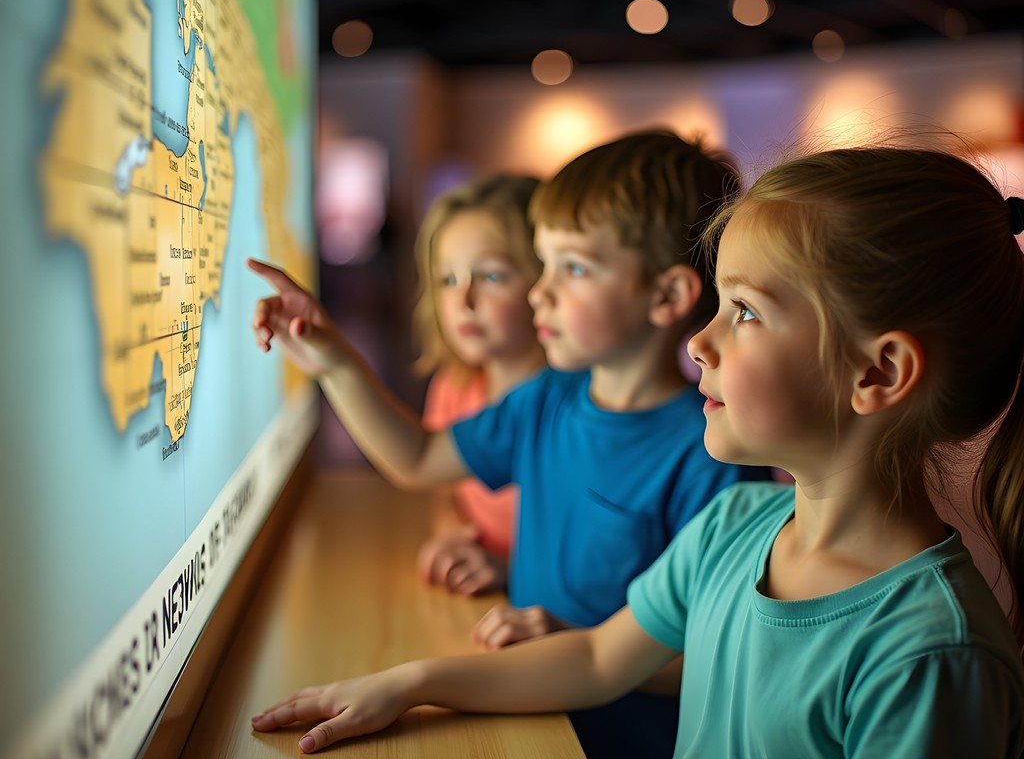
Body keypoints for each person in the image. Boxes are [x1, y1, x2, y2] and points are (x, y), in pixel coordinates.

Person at [251, 143, 1024, 757]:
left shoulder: (932, 656)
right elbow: (593, 660)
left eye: (746, 313)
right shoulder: (733, 531)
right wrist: (411, 682)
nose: (702, 341)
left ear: (879, 371)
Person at [248, 129, 767, 757]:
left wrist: (576, 634)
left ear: (666, 296)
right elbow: (418, 459)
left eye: (573, 268)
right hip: (523, 713)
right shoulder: (545, 400)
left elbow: (712, 657)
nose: (538, 292)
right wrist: (331, 360)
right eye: (542, 265)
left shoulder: (712, 454)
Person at [410, 173, 546, 597]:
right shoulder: (454, 386)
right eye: (448, 280)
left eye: (491, 276)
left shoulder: (575, 406)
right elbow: (446, 489)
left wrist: (508, 568)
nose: (462, 301)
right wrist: (453, 534)